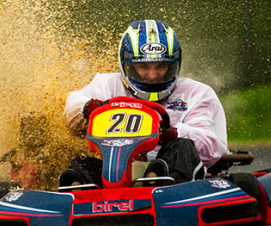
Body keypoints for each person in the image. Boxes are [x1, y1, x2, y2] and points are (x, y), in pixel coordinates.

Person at [60, 19, 228, 187]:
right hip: (113, 171)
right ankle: (78, 195)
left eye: (161, 66)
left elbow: (212, 145)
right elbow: (72, 104)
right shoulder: (107, 84)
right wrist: (88, 109)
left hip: (170, 173)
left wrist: (174, 133)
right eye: (144, 66)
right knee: (80, 166)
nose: (153, 75)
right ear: (128, 64)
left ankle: (156, 181)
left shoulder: (196, 92)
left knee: (182, 146)